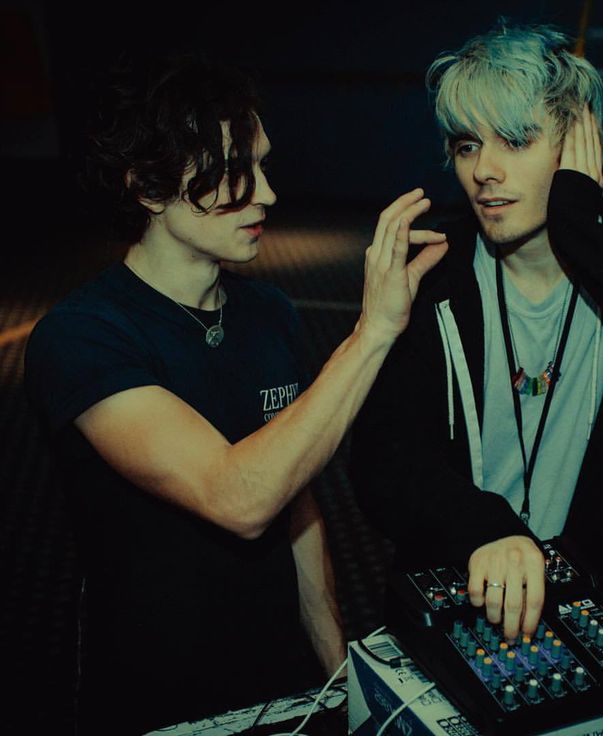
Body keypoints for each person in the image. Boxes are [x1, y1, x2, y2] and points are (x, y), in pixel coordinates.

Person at [23, 53, 447, 734]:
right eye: (232, 171)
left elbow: (294, 498)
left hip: (282, 686)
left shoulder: (269, 312)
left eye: (264, 164)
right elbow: (241, 497)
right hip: (160, 699)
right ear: (150, 188)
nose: (268, 195)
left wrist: (336, 670)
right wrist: (373, 331)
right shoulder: (82, 339)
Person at [350, 21, 603, 644]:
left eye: (518, 139)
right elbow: (382, 462)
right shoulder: (431, 274)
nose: (485, 171)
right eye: (468, 144)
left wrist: (585, 233)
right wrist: (481, 526)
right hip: (463, 596)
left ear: (577, 141)